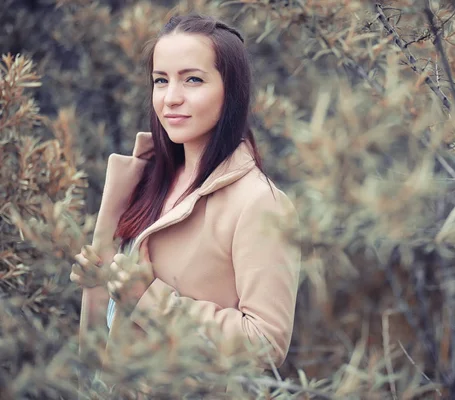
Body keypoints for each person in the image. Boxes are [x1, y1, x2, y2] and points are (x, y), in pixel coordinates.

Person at [70, 13, 301, 395]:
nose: (171, 97)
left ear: (232, 91)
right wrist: (100, 277)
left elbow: (266, 343)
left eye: (192, 79)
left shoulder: (260, 203)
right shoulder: (145, 178)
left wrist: (147, 297)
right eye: (161, 80)